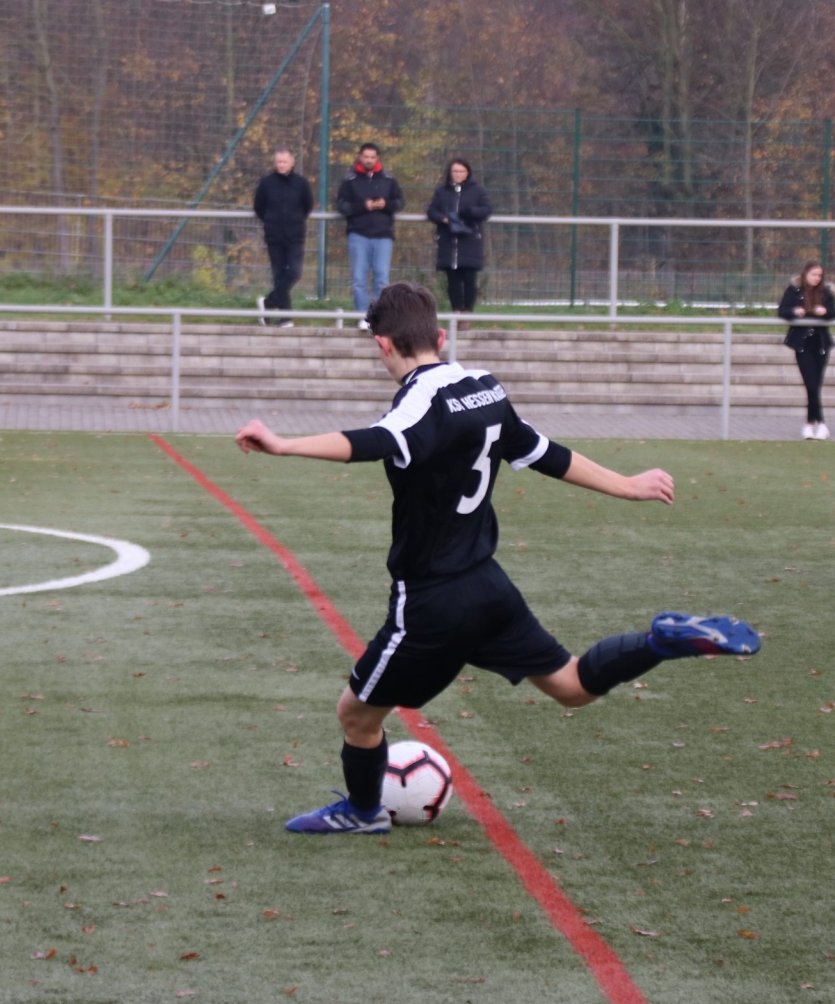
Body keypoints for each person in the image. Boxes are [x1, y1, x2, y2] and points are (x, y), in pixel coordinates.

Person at [234, 282, 762, 834]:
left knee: (357, 715)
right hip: (489, 588)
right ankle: (659, 642)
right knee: (571, 685)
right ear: (440, 336)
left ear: (382, 344)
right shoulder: (485, 388)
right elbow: (544, 452)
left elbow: (377, 441)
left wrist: (286, 444)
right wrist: (627, 485)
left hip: (431, 603)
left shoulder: (419, 402)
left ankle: (364, 813)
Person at [336, 142, 404, 328]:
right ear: (360, 157)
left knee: (382, 279)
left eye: (372, 157)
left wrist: (385, 205)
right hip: (358, 235)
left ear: (377, 158)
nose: (369, 160)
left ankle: (378, 318)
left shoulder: (389, 179)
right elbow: (341, 205)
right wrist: (363, 206)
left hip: (383, 235)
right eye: (366, 157)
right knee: (359, 279)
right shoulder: (349, 180)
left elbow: (399, 202)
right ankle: (363, 317)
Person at [778, 260, 835, 439]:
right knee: (811, 384)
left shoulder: (826, 291)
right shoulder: (794, 290)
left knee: (815, 385)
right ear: (805, 274)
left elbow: (834, 312)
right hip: (803, 343)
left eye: (819, 275)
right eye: (813, 275)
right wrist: (795, 311)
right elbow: (782, 310)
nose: (816, 278)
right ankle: (820, 423)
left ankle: (811, 424)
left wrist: (824, 311)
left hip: (820, 343)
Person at [253, 148, 314, 326]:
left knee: (294, 272)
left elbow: (308, 205)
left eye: (284, 161)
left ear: (292, 163)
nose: (281, 165)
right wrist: (271, 220)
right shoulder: (266, 183)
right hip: (274, 236)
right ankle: (285, 317)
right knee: (279, 275)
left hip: (295, 236)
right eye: (278, 162)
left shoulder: (301, 183)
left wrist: (295, 219)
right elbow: (259, 207)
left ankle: (268, 302)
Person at [426, 158, 492, 317]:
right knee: (453, 280)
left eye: (461, 171)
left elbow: (486, 210)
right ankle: (455, 312)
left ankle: (467, 312)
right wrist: (443, 218)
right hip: (449, 241)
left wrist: (470, 213)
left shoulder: (477, 191)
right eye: (455, 171)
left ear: (467, 173)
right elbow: (431, 211)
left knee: (469, 279)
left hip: (470, 241)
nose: (458, 174)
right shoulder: (442, 191)